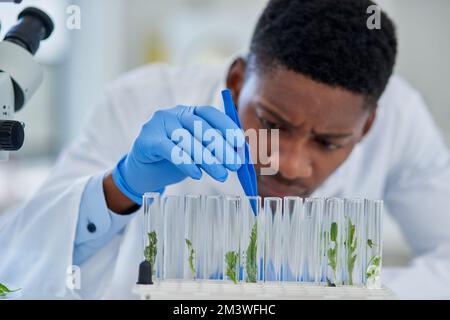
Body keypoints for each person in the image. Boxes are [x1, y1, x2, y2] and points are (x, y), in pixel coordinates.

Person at [1, 0, 449, 299]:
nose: (290, 164)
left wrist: (361, 292)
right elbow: (16, 266)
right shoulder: (137, 99)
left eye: (329, 142)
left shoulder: (401, 118)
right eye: (271, 123)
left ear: (368, 125)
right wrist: (119, 189)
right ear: (235, 81)